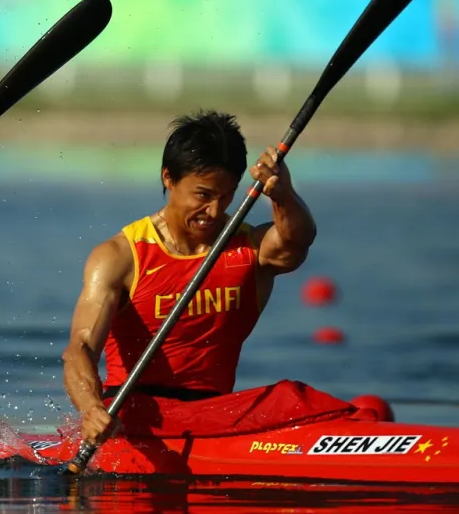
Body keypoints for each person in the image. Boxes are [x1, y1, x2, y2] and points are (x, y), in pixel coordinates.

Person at [61, 110, 317, 446]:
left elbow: (296, 241)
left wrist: (282, 194)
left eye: (225, 197)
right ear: (169, 178)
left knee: (293, 397)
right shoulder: (120, 257)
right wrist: (91, 409)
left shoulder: (249, 249)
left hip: (214, 414)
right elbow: (79, 348)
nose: (213, 211)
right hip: (135, 418)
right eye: (203, 195)